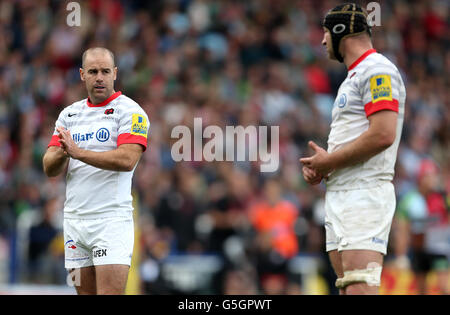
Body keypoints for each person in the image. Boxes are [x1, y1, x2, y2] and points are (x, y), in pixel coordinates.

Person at [300, 3, 406, 295]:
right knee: (348, 288)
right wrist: (325, 166)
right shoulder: (355, 76)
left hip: (364, 192)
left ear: (340, 31)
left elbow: (383, 134)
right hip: (342, 193)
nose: (322, 41)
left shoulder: (378, 70)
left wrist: (329, 160)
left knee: (360, 287)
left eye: (325, 32)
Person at [42, 47, 150, 295]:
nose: (99, 77)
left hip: (110, 221)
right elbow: (49, 167)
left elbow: (127, 159)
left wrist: (77, 152)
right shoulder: (69, 115)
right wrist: (63, 152)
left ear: (115, 73)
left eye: (104, 71)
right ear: (82, 75)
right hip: (75, 222)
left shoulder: (131, 112)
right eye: (92, 71)